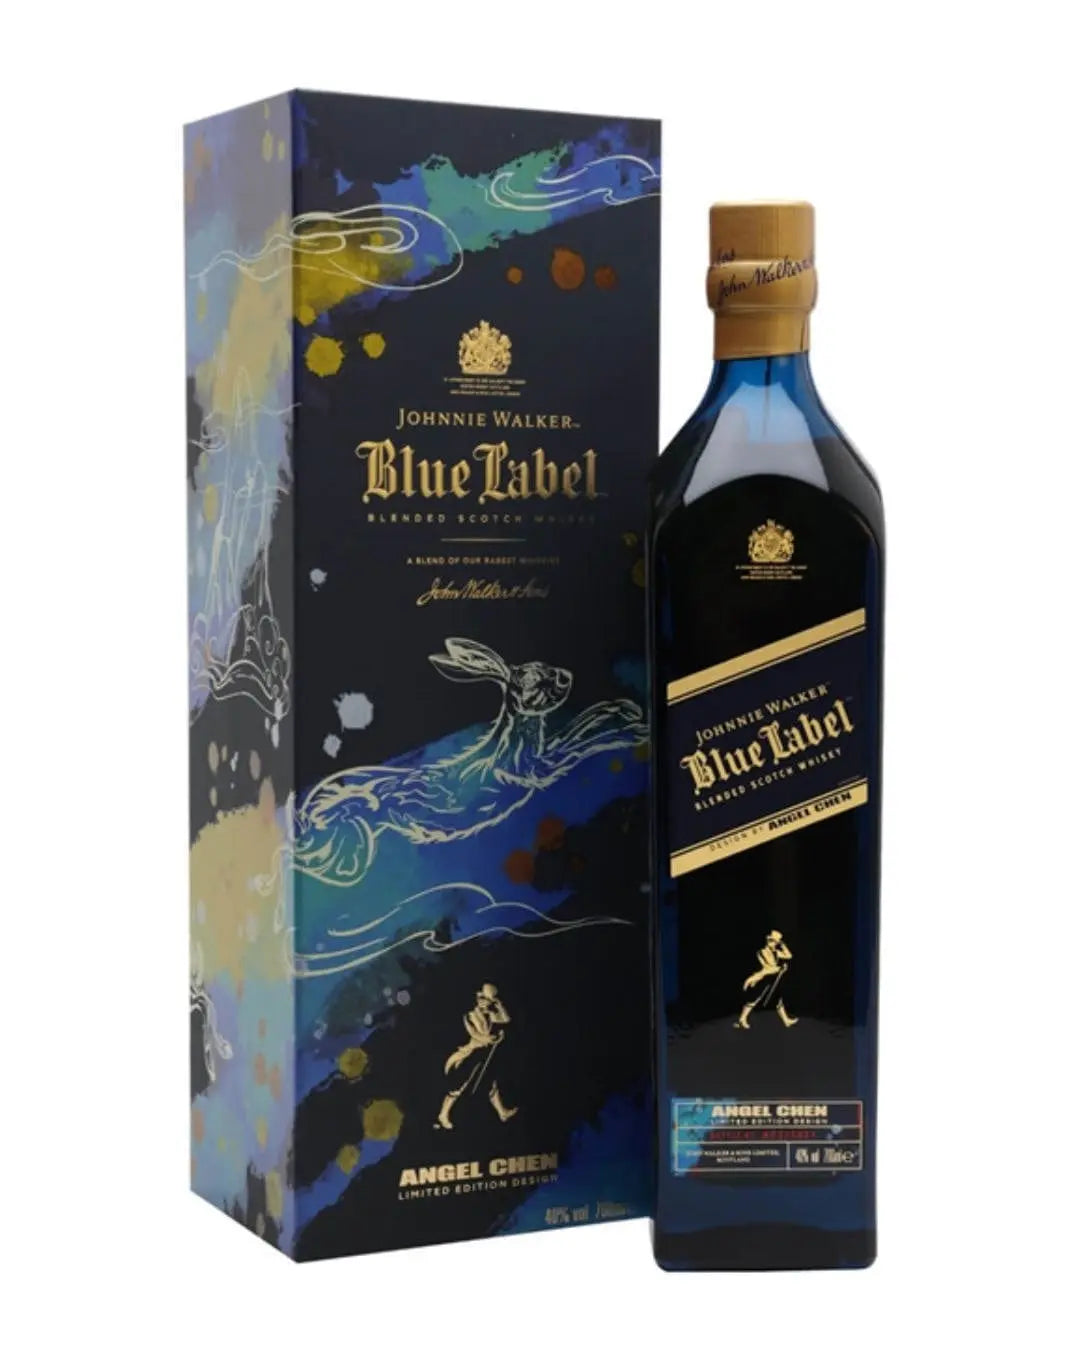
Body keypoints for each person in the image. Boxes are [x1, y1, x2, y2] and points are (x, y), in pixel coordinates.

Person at [436, 983, 518, 1129]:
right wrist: (492, 1039)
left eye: (487, 1000)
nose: (484, 1002)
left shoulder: (489, 1013)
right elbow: (475, 1035)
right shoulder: (470, 1015)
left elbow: (506, 1019)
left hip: (484, 1054)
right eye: (482, 998)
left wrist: (498, 1005)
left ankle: (502, 1113)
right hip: (470, 1054)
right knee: (459, 1084)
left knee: (491, 1083)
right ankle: (443, 1114)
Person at [735, 930, 799, 1030]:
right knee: (754, 999)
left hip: (772, 979)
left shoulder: (776, 952)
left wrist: (783, 945)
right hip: (762, 978)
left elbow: (789, 956)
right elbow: (768, 967)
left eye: (776, 942)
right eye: (772, 941)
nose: (774, 944)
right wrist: (780, 968)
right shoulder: (762, 952)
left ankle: (786, 1021)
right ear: (768, 941)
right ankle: (742, 1019)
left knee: (778, 1000)